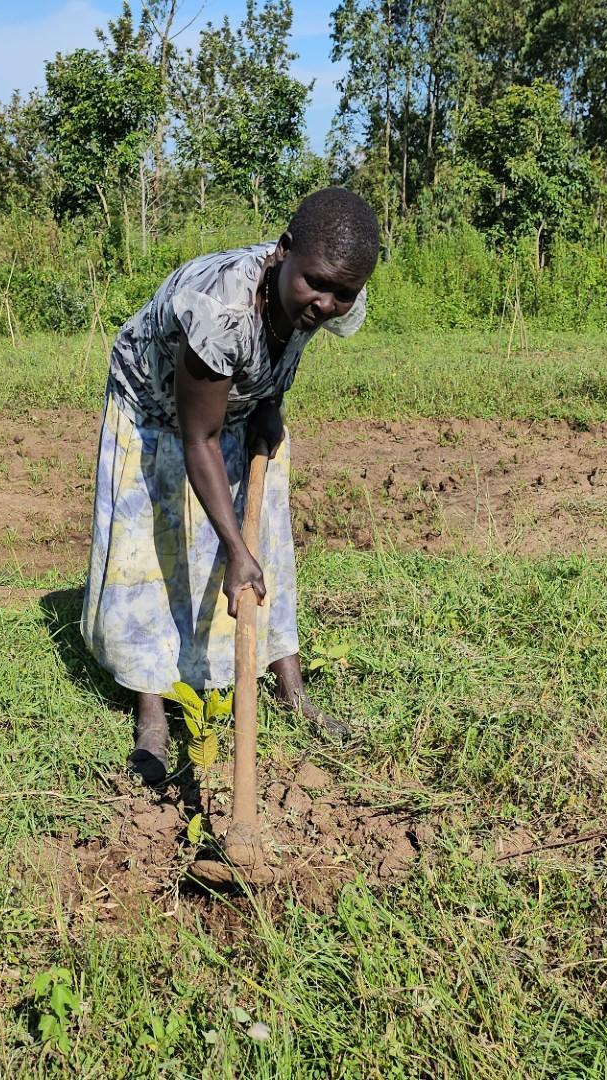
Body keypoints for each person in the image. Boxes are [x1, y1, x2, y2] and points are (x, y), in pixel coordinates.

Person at [82, 187, 380, 783]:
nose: (327, 304)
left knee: (266, 539)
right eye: (317, 284)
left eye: (342, 293)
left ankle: (289, 686)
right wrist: (234, 552)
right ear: (283, 251)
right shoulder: (218, 308)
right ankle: (152, 715)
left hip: (239, 405)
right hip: (158, 413)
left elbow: (284, 343)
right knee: (157, 549)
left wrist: (272, 402)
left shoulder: (321, 291)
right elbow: (199, 442)